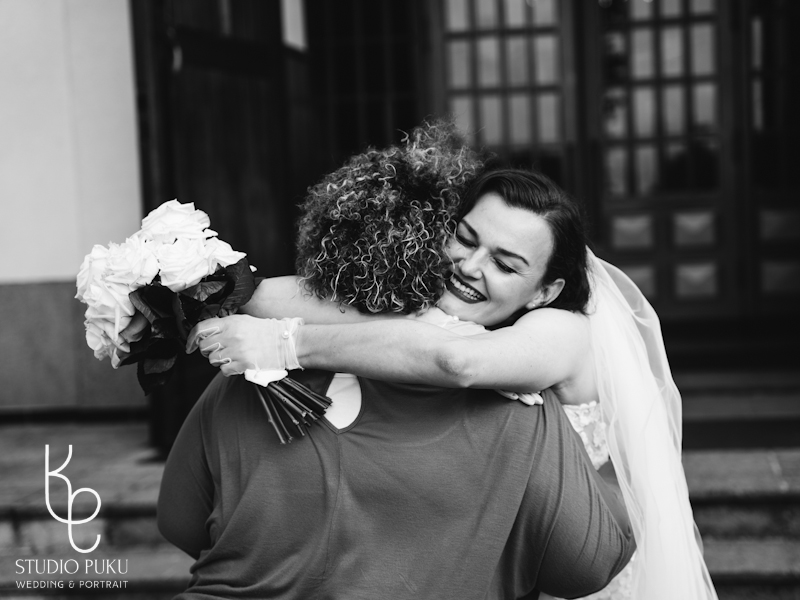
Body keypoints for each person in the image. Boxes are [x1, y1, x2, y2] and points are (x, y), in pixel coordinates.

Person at [192, 168, 718, 600]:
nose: (470, 266)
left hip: (582, 557)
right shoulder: (437, 308)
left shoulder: (565, 331)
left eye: (505, 265)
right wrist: (187, 284)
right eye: (465, 238)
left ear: (545, 290)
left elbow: (457, 361)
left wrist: (285, 343)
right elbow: (282, 297)